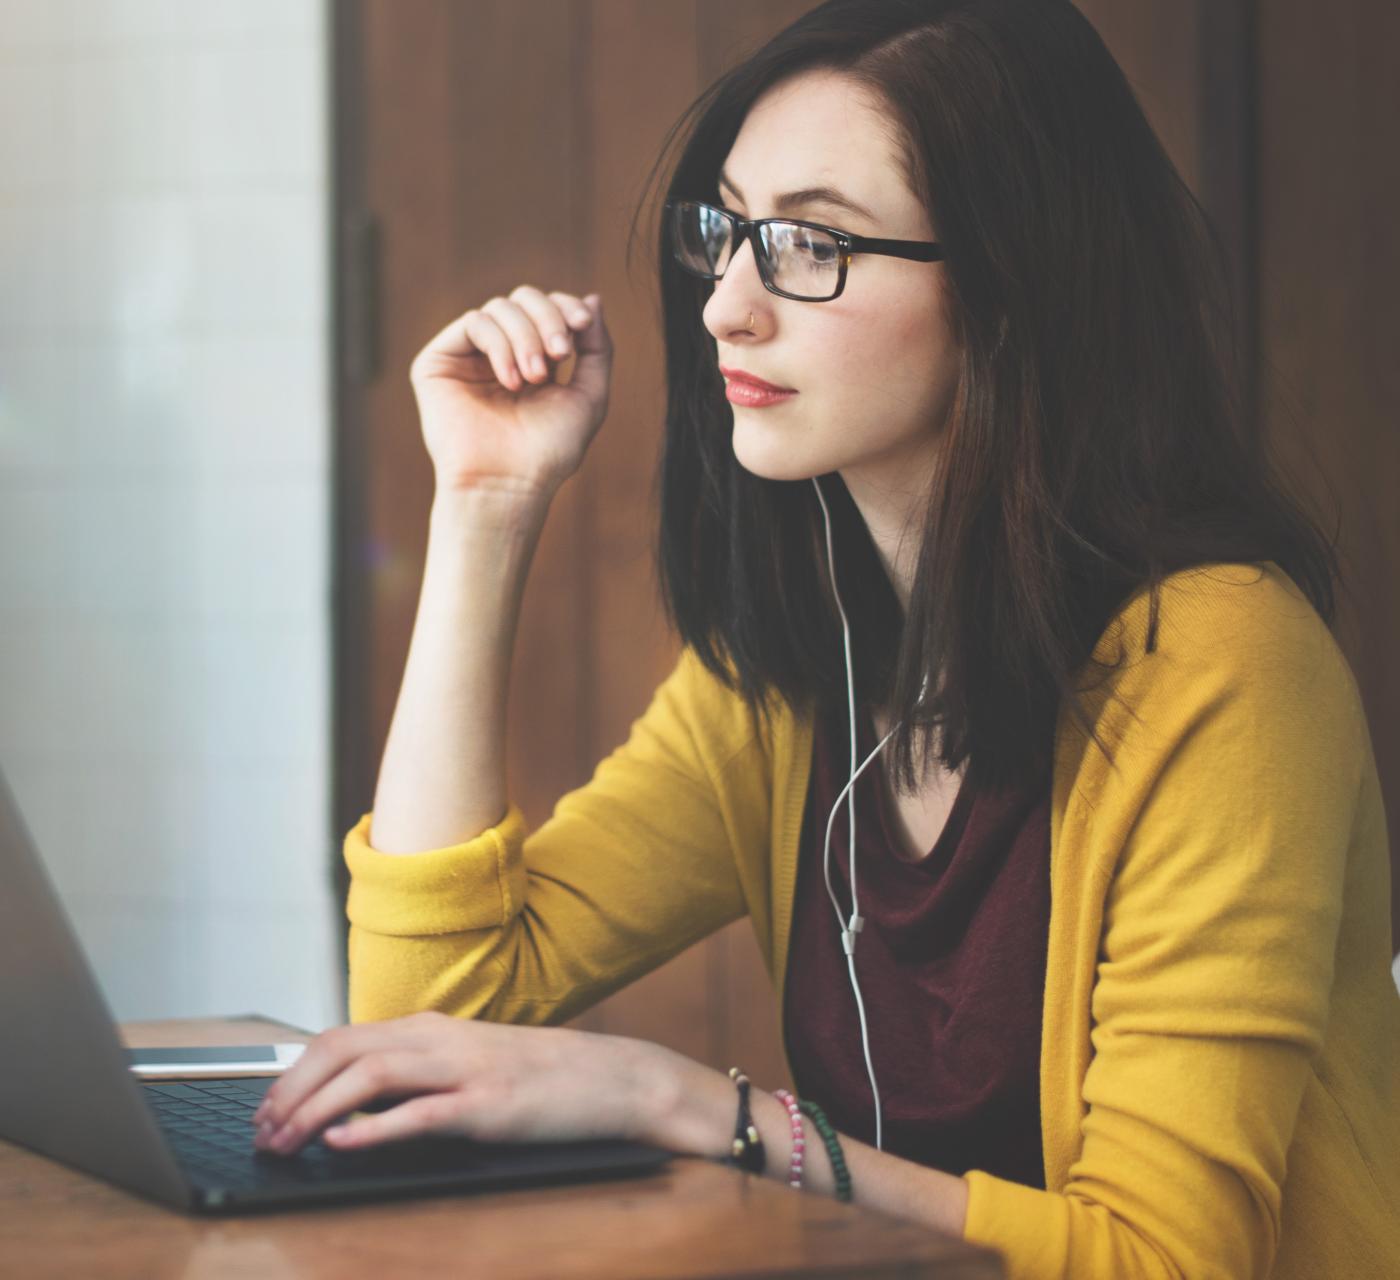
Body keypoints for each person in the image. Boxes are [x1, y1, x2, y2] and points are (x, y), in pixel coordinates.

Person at [250, 1, 1400, 1274]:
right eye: (729, 230)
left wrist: (690, 1107)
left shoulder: (1220, 664)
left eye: (810, 242)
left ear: (1012, 289)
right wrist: (484, 503)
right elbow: (423, 1019)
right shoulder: (802, 665)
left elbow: (1165, 1259)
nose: (726, 307)